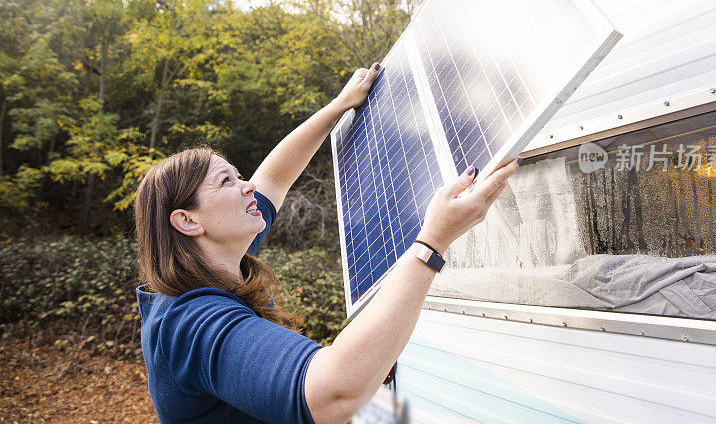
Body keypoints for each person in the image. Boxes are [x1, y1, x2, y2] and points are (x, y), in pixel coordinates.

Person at [134, 62, 520, 423]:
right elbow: (334, 394)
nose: (247, 185)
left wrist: (339, 106)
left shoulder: (218, 259)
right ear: (187, 221)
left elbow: (274, 178)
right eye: (227, 182)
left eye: (238, 176)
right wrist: (432, 243)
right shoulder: (191, 323)